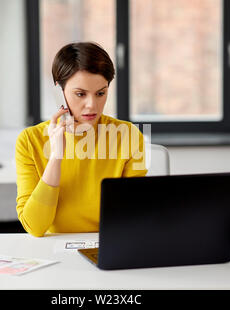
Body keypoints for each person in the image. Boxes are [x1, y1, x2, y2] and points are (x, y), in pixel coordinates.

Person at [15, 42, 148, 237]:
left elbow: (135, 216)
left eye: (100, 93)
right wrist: (56, 157)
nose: (91, 105)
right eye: (80, 94)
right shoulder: (29, 141)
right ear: (59, 92)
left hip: (109, 243)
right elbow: (35, 227)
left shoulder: (126, 135)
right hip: (52, 251)